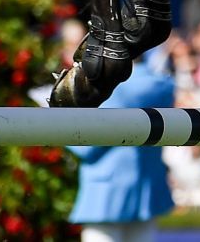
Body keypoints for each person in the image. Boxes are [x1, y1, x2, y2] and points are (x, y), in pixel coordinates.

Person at [67, 45, 176, 242]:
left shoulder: (110, 88)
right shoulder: (162, 85)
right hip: (148, 190)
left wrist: (56, 122)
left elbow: (87, 146)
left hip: (106, 192)